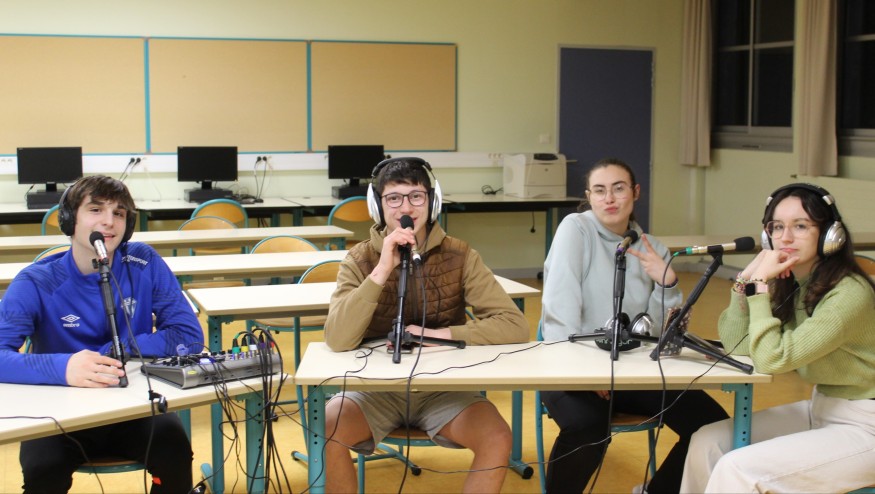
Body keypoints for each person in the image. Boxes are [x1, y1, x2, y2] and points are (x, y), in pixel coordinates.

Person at [322, 157, 530, 492]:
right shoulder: (359, 259)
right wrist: (382, 269)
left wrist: (440, 335)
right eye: (394, 198)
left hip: (444, 388)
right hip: (376, 389)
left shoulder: (460, 255)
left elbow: (514, 325)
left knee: (497, 436)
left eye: (416, 196)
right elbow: (337, 338)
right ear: (377, 207)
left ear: (432, 201)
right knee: (327, 427)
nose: (406, 208)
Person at [0, 175, 204, 493]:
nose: (109, 222)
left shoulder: (143, 262)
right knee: (44, 470)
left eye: (119, 213)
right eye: (95, 210)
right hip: (58, 413)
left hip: (133, 405)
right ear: (69, 219)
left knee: (174, 453)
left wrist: (117, 348)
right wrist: (63, 368)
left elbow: (188, 335)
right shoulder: (36, 281)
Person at [540, 158, 729, 493]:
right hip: (570, 366)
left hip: (631, 370)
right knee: (588, 427)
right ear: (589, 196)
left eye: (619, 188)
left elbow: (658, 333)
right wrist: (584, 373)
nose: (609, 198)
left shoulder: (653, 248)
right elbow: (559, 307)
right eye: (599, 191)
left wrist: (667, 284)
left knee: (712, 426)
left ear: (636, 192)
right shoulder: (576, 228)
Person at [680, 183, 875, 493]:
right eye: (777, 227)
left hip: (866, 426)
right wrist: (743, 283)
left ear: (829, 235)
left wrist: (759, 288)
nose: (785, 237)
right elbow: (739, 345)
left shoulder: (849, 293)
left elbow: (774, 358)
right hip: (822, 408)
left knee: (737, 468)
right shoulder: (797, 284)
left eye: (800, 226)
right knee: (707, 441)